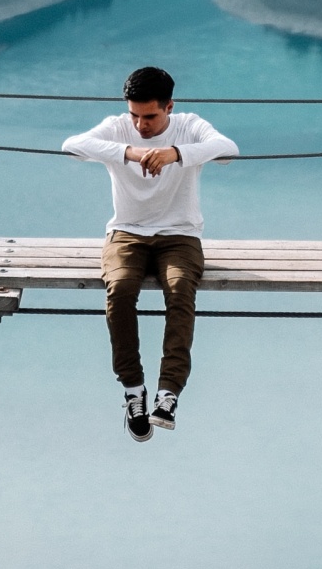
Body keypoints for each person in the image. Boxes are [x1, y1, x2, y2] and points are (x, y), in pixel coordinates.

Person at [62, 66, 239, 441]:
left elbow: (228, 149)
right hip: (127, 232)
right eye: (135, 116)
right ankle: (133, 390)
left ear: (169, 107)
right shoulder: (118, 128)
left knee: (180, 291)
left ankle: (168, 392)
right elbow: (72, 145)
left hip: (180, 234)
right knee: (120, 290)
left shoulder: (188, 126)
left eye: (150, 117)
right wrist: (128, 151)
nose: (140, 125)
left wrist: (175, 154)